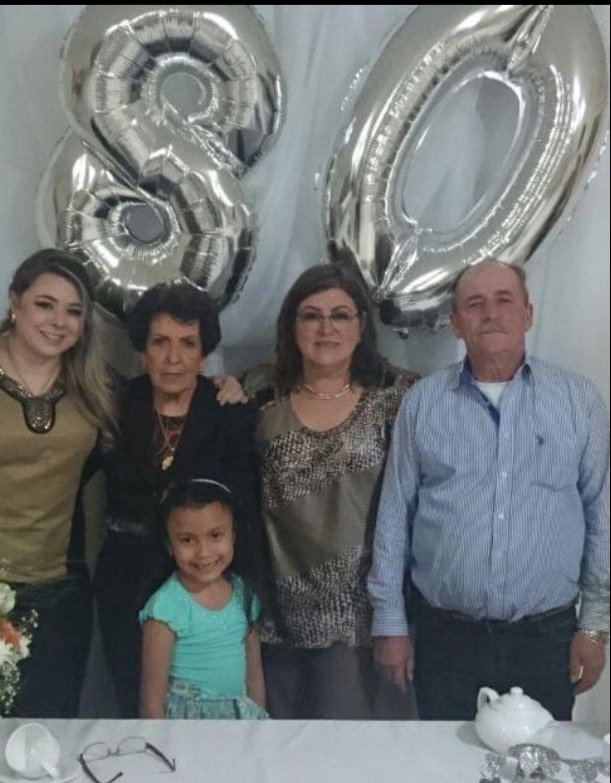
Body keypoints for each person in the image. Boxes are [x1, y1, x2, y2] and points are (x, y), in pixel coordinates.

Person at [369, 258, 609, 721]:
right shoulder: (423, 403)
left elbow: (602, 518)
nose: (491, 314)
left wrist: (596, 626)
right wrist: (390, 623)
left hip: (547, 639)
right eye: (475, 304)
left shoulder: (578, 401)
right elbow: (395, 515)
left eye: (504, 300)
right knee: (443, 761)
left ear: (528, 314)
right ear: (456, 323)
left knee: (540, 763)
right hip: (445, 638)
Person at [0, 248, 118, 718]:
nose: (58, 322)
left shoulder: (95, 383)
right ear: (15, 302)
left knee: (50, 729)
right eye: (45, 304)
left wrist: (225, 385)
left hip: (61, 590)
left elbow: (164, 402)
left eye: (74, 311)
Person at [249, 261, 416, 718]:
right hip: (273, 620)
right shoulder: (258, 395)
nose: (326, 329)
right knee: (273, 752)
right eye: (311, 315)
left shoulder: (397, 398)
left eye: (340, 315)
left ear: (361, 326)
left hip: (357, 624)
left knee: (343, 749)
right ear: (292, 326)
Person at [94, 283, 262, 717]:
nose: (173, 358)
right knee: (136, 702)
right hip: (125, 578)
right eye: (160, 342)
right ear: (141, 351)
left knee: (206, 699)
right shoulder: (114, 407)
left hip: (203, 582)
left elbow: (244, 506)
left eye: (188, 343)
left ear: (203, 354)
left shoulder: (229, 411)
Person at [139, 478, 267, 719]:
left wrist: (259, 726)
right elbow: (151, 702)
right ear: (169, 544)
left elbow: (254, 676)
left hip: (240, 720)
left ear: (233, 534)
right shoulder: (165, 607)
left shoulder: (243, 592)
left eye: (215, 535)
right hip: (187, 726)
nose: (204, 552)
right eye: (187, 540)